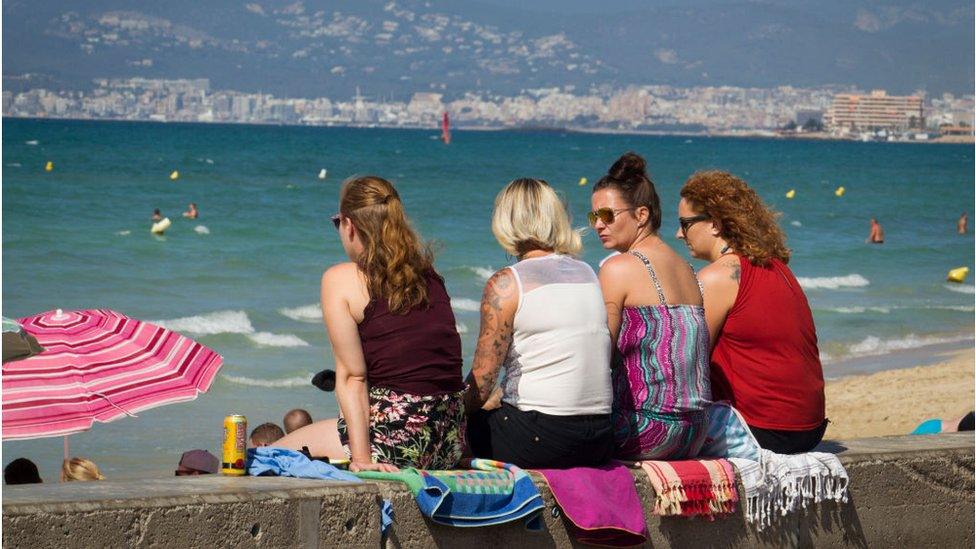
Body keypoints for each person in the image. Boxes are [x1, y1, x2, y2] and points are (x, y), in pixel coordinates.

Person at [276, 176, 466, 472]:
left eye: (336, 222)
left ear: (349, 225)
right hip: (448, 441)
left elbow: (353, 377)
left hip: (397, 443)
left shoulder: (340, 279)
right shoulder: (428, 274)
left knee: (267, 456)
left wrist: (362, 460)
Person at [464, 178, 614, 469]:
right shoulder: (586, 273)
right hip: (599, 438)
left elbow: (481, 385)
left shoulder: (507, 282)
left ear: (506, 222)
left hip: (542, 439)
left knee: (456, 429)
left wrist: (451, 411)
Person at [677, 170, 826, 454]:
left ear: (716, 224)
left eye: (685, 224)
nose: (679, 233)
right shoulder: (779, 269)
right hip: (810, 429)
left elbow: (687, 365)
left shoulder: (717, 277)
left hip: (761, 431)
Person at [590, 152, 711, 460]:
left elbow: (599, 355)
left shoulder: (618, 268)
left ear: (641, 215)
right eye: (594, 217)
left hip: (646, 432)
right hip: (696, 431)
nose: (598, 225)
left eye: (607, 215)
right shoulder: (684, 266)